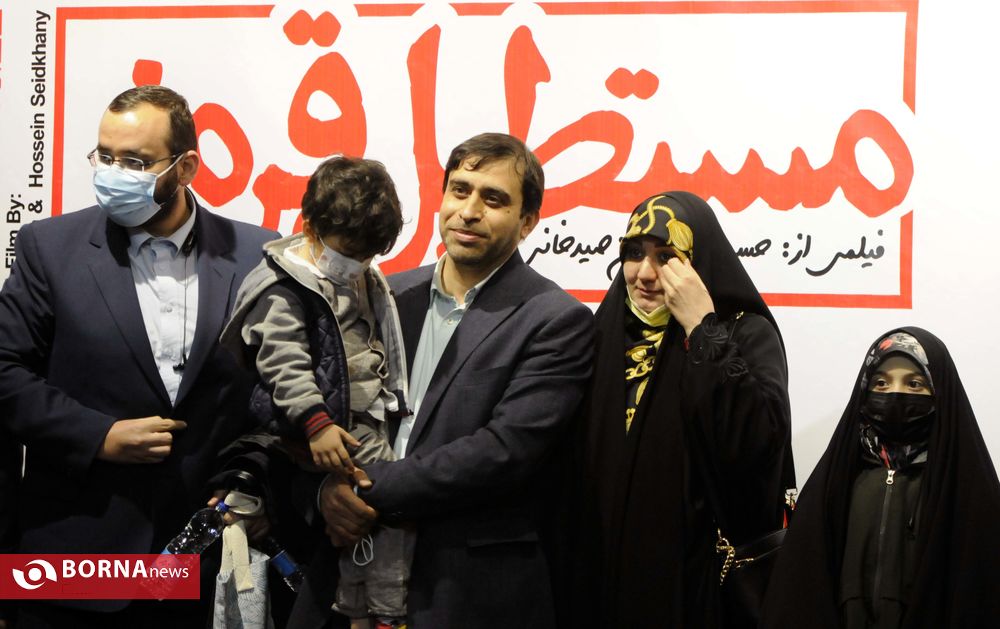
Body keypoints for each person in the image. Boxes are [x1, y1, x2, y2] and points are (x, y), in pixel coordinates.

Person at [0, 85, 275, 628]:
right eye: (104, 156)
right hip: (73, 558)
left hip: (205, 565)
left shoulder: (257, 255)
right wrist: (96, 435)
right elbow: (6, 372)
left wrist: (254, 480)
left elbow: (277, 390)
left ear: (186, 166)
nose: (113, 174)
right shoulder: (48, 248)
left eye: (134, 162)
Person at [296, 132, 595, 629]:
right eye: (460, 190)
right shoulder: (382, 294)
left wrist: (367, 488)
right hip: (347, 573)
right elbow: (316, 403)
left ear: (527, 222)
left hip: (464, 589)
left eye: (493, 199)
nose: (469, 211)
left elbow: (504, 452)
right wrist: (325, 489)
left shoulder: (555, 319)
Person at [572, 191, 794, 628]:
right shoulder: (603, 334)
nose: (645, 273)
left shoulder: (745, 334)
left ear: (699, 260)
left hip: (696, 583)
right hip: (603, 575)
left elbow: (757, 451)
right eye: (634, 253)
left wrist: (702, 327)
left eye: (667, 257)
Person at [220, 155, 411, 629]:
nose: (357, 263)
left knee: (370, 517)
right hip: (326, 426)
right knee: (391, 505)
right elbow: (282, 362)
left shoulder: (362, 276)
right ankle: (387, 610)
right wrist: (316, 423)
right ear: (309, 226)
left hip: (364, 418)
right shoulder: (281, 286)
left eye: (368, 255)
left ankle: (361, 607)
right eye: (348, 251)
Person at [760, 327, 1000, 628]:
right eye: (881, 383)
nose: (895, 394)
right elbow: (799, 593)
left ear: (940, 392)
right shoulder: (835, 483)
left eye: (914, 384)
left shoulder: (967, 491)